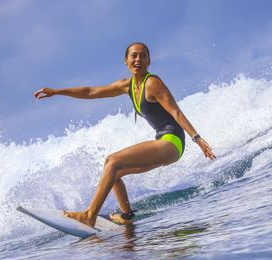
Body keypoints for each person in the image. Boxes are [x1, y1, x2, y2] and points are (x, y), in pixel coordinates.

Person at [34, 42, 216, 227]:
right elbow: (90, 92)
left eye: (143, 56)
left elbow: (176, 112)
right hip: (162, 140)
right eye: (134, 56)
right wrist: (57, 92)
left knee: (112, 161)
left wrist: (197, 139)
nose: (138, 59)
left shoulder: (153, 83)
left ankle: (90, 215)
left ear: (149, 61)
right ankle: (127, 216)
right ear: (126, 60)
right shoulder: (126, 85)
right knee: (112, 172)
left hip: (172, 142)